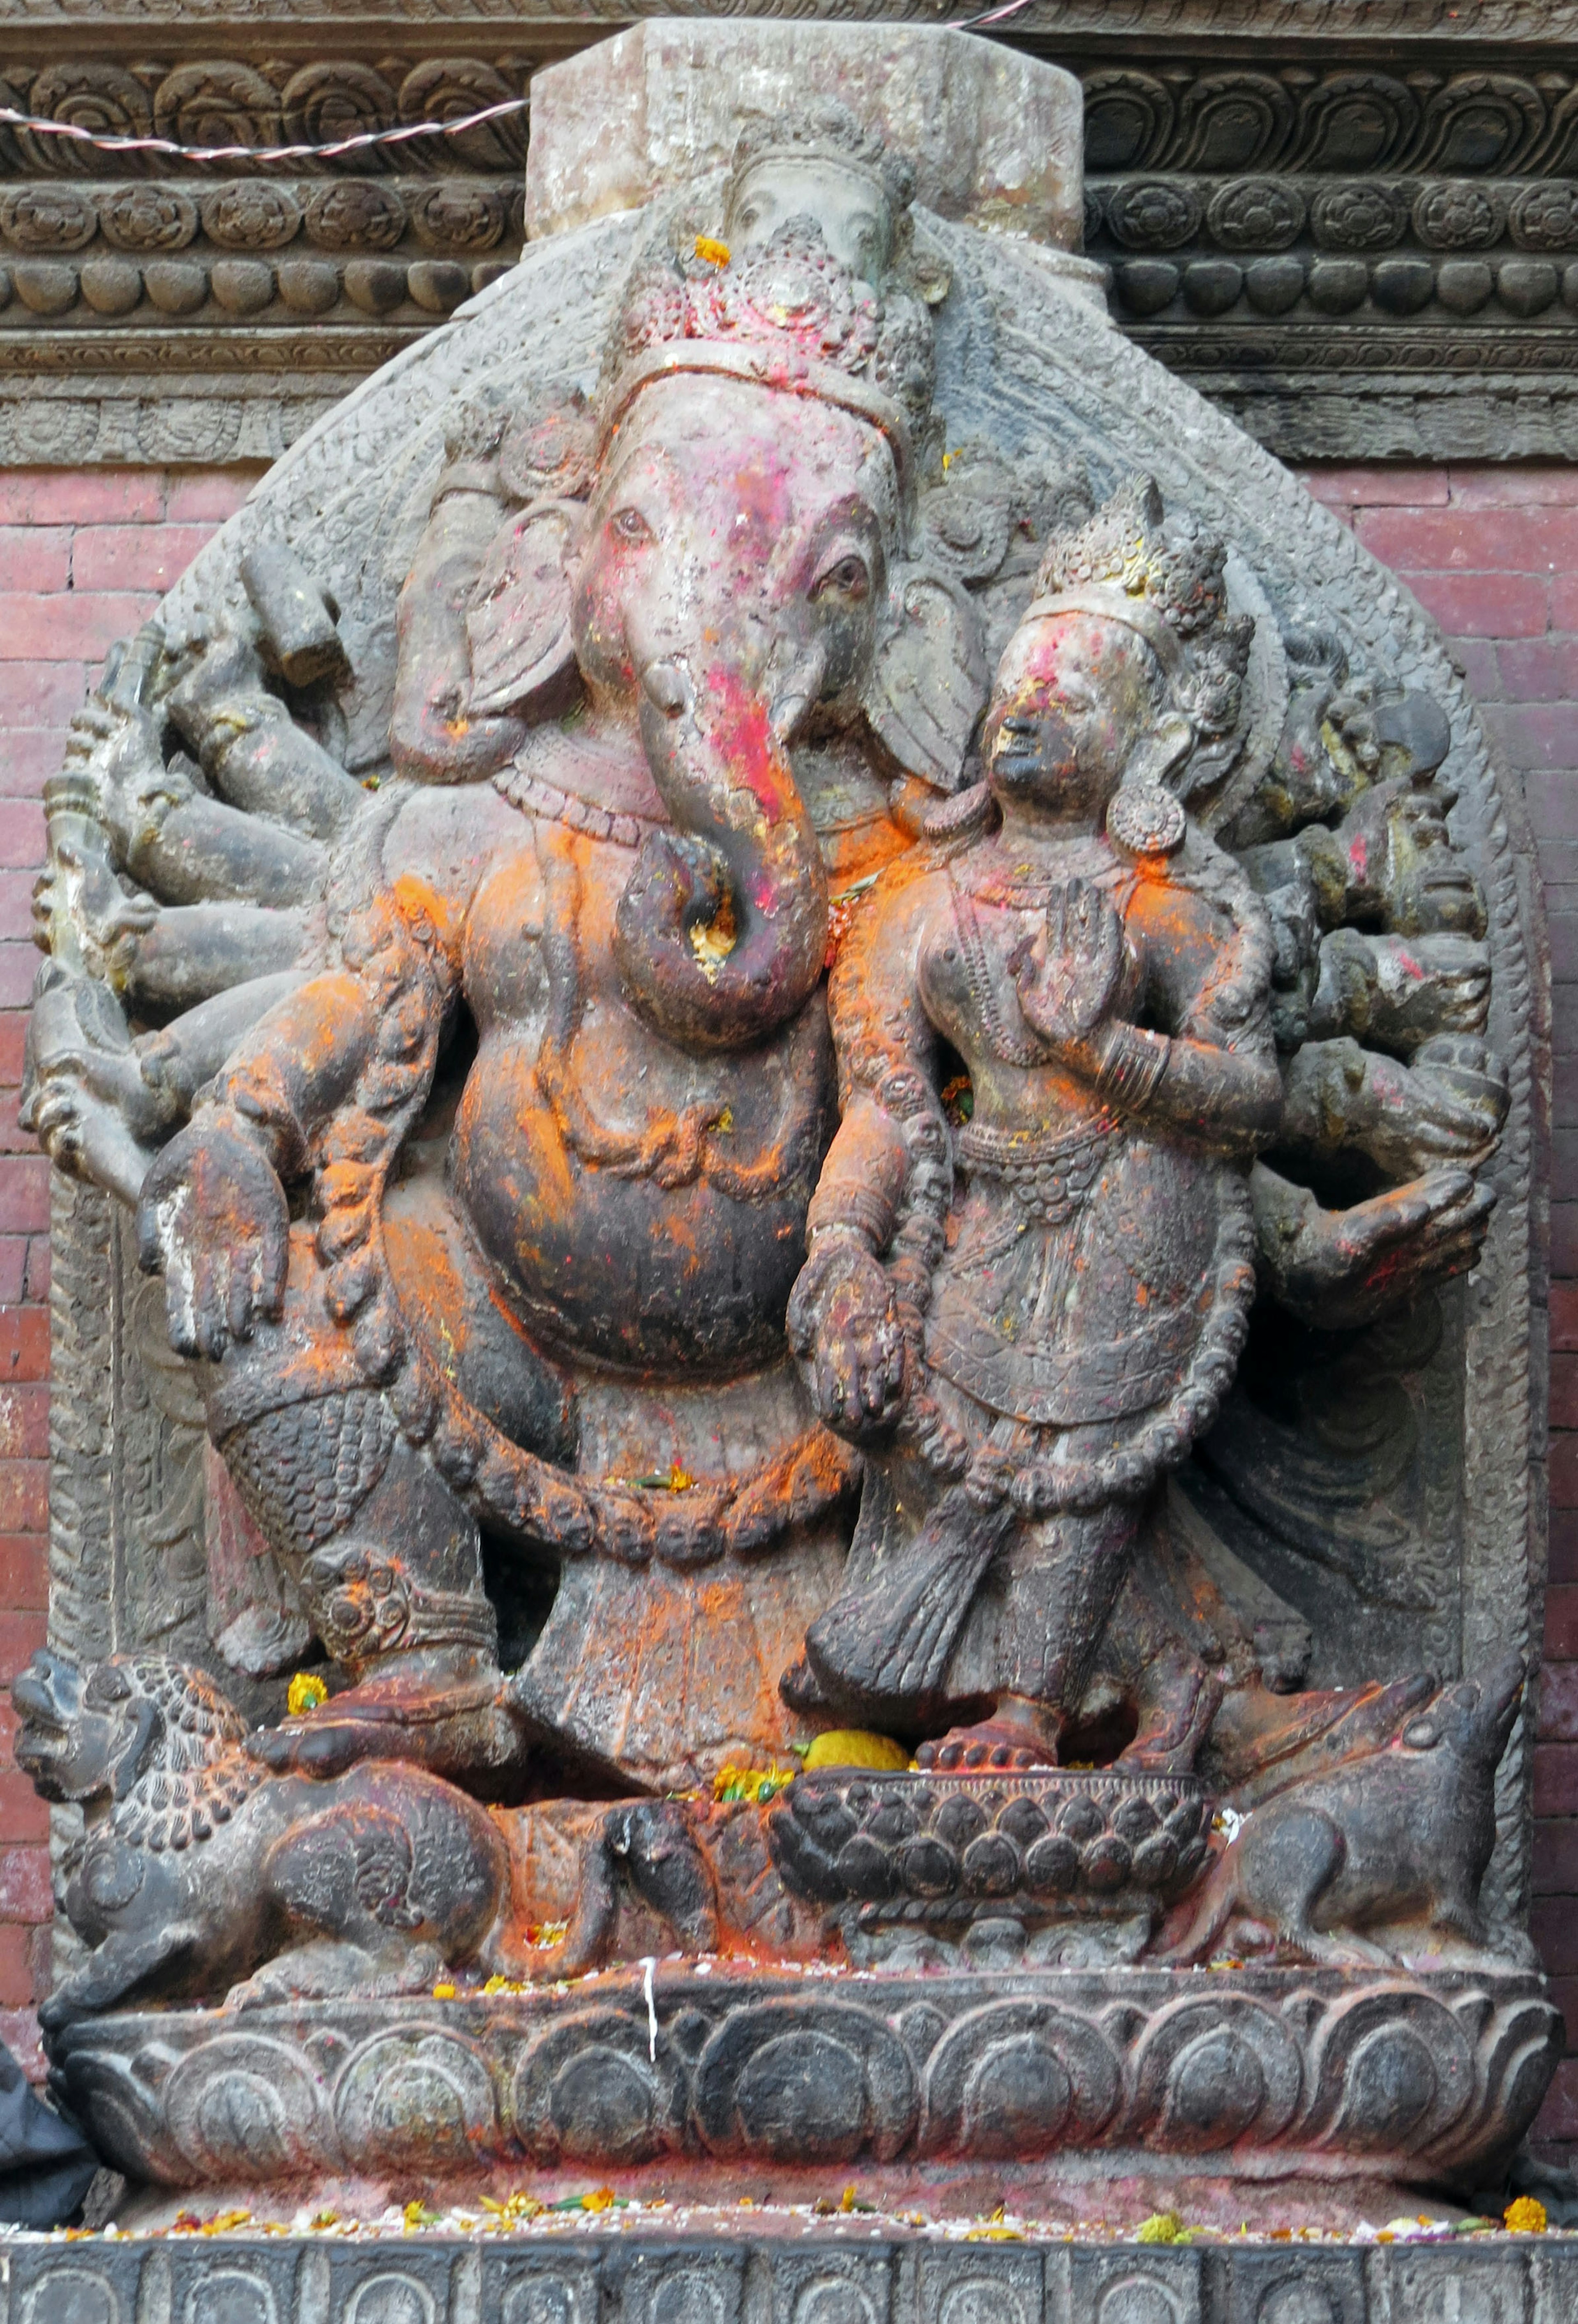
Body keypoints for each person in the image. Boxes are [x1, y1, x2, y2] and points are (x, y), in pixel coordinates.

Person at [787, 475, 1283, 1769]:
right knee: (922, 1427)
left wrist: (1100, 1048)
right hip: (979, 1209)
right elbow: (887, 1111)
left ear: (1153, 737)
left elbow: (1248, 1100)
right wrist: (842, 1250)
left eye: (1077, 691)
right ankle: (931, 1676)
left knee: (1089, 1463)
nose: (1033, 705)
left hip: (1139, 1206)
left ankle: (1037, 1708)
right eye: (1022, 679)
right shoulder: (918, 901)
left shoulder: (1177, 904)